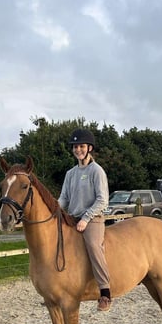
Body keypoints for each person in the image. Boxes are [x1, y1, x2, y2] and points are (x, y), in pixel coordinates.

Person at [58, 128, 112, 311]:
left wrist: (86, 218)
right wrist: (54, 211)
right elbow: (64, 198)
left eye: (81, 146)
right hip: (72, 217)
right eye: (75, 147)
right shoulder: (70, 173)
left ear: (89, 148)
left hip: (93, 219)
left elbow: (102, 200)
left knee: (94, 246)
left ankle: (105, 292)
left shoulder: (96, 171)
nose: (77, 150)